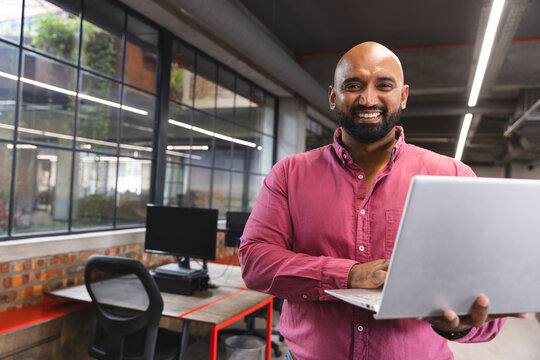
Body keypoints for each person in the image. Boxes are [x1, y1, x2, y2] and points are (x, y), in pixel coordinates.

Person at [238, 42, 526, 360]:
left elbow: (485, 299)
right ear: (333, 96)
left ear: (402, 95)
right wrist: (349, 275)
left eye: (384, 85)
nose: (368, 99)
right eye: (353, 85)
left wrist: (456, 327)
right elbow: (255, 261)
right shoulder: (290, 174)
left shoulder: (453, 175)